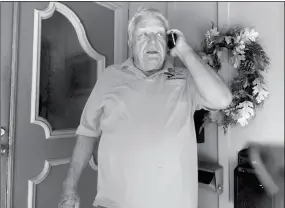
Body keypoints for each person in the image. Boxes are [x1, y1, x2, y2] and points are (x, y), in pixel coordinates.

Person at [58, 7, 232, 208]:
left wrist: (184, 51)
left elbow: (223, 100)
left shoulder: (185, 79)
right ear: (130, 42)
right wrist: (69, 185)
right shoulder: (110, 77)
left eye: (159, 34)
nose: (152, 41)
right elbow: (88, 132)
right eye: (143, 34)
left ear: (167, 43)